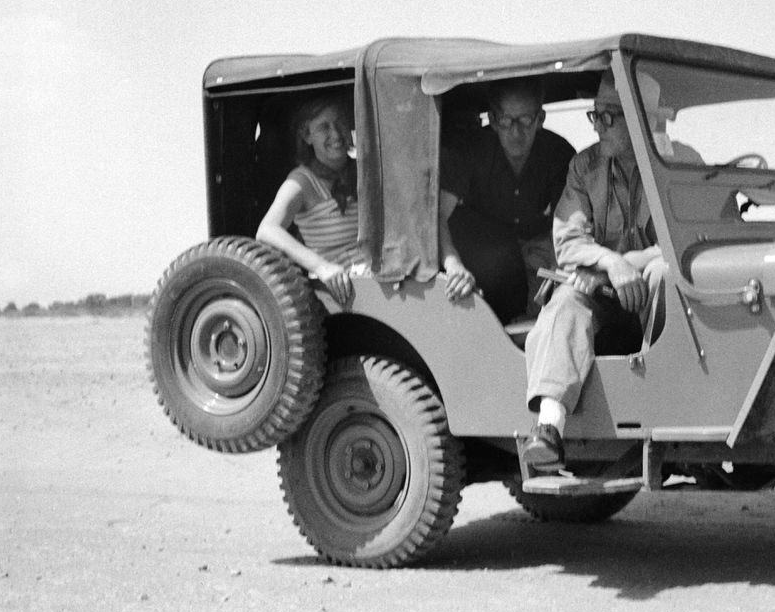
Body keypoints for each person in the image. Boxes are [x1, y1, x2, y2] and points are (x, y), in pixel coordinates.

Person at [520, 71, 668, 473]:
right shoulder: (584, 167)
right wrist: (611, 265)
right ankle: (549, 427)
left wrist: (625, 267)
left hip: (649, 301)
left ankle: (668, 399)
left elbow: (676, 246)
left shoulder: (671, 164)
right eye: (595, 115)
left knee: (662, 274)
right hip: (600, 296)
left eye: (610, 117)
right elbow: (568, 245)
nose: (599, 126)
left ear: (643, 121)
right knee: (566, 299)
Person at [258, 92, 476, 305]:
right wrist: (321, 267)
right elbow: (267, 230)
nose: (335, 134)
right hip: (344, 294)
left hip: (382, 279)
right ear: (306, 135)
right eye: (324, 127)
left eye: (341, 123)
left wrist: (453, 264)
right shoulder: (302, 181)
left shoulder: (364, 171)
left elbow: (424, 213)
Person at [439, 80, 574, 322]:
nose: (515, 132)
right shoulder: (469, 150)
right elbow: (439, 215)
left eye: (525, 120)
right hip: (482, 253)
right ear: (491, 119)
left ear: (541, 118)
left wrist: (555, 278)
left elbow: (566, 225)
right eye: (505, 120)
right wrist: (453, 266)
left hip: (534, 249)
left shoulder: (558, 154)